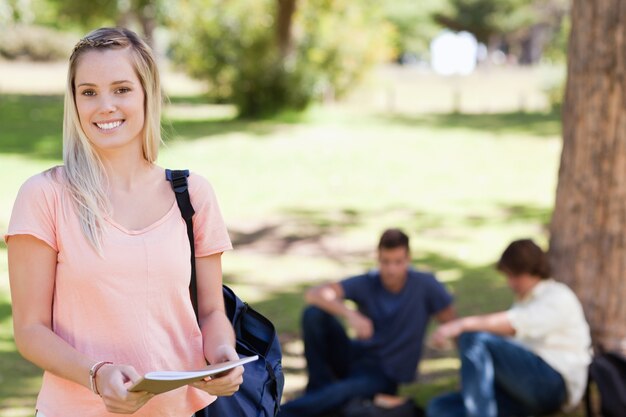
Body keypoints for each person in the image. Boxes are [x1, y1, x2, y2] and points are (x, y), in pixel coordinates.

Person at [5, 27, 243, 417]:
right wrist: (97, 375)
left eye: (121, 89)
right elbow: (30, 331)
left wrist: (222, 356)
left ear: (147, 93)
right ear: (74, 101)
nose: (104, 106)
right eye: (88, 92)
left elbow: (212, 312)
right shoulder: (43, 195)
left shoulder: (192, 195)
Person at [279, 228, 455, 417]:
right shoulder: (369, 281)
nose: (391, 270)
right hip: (356, 356)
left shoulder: (425, 285)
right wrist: (351, 314)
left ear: (408, 259)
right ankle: (317, 389)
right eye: (385, 262)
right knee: (314, 314)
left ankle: (277, 413)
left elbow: (452, 323)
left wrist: (444, 334)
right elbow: (314, 294)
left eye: (398, 262)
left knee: (339, 392)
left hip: (385, 373)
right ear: (378, 258)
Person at [427, 239, 592, 417]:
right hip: (520, 389)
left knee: (473, 337)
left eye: (514, 276)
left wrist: (462, 324)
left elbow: (514, 324)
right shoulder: (522, 302)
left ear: (531, 270)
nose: (510, 283)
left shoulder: (557, 296)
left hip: (553, 384)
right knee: (440, 407)